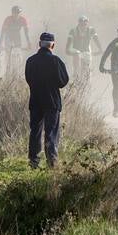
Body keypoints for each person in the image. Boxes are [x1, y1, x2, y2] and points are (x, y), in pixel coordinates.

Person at [25, 31, 70, 169]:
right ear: (53, 45)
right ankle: (52, 162)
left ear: (39, 44)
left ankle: (34, 162)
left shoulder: (31, 61)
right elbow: (63, 81)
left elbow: (29, 79)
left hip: (35, 101)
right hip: (52, 102)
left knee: (35, 131)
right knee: (51, 132)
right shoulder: (56, 61)